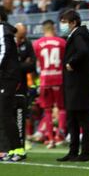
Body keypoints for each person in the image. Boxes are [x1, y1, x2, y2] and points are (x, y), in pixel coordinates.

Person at [56, 9, 89, 162]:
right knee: (72, 120)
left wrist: (71, 62)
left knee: (82, 119)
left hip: (78, 85)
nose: (62, 25)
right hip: (73, 85)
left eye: (65, 22)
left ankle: (85, 153)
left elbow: (82, 51)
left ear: (73, 22)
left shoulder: (78, 35)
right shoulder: (75, 35)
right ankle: (73, 151)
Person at [32, 20, 67, 149]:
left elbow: (35, 63)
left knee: (47, 110)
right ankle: (60, 136)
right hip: (59, 78)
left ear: (43, 30)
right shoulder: (62, 42)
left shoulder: (37, 44)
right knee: (62, 108)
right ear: (54, 28)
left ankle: (50, 139)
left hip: (45, 80)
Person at [0, 6, 25, 162]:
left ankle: (19, 150)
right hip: (6, 76)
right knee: (4, 114)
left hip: (7, 77)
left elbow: (4, 51)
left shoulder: (2, 29)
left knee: (5, 113)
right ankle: (12, 149)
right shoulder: (5, 30)